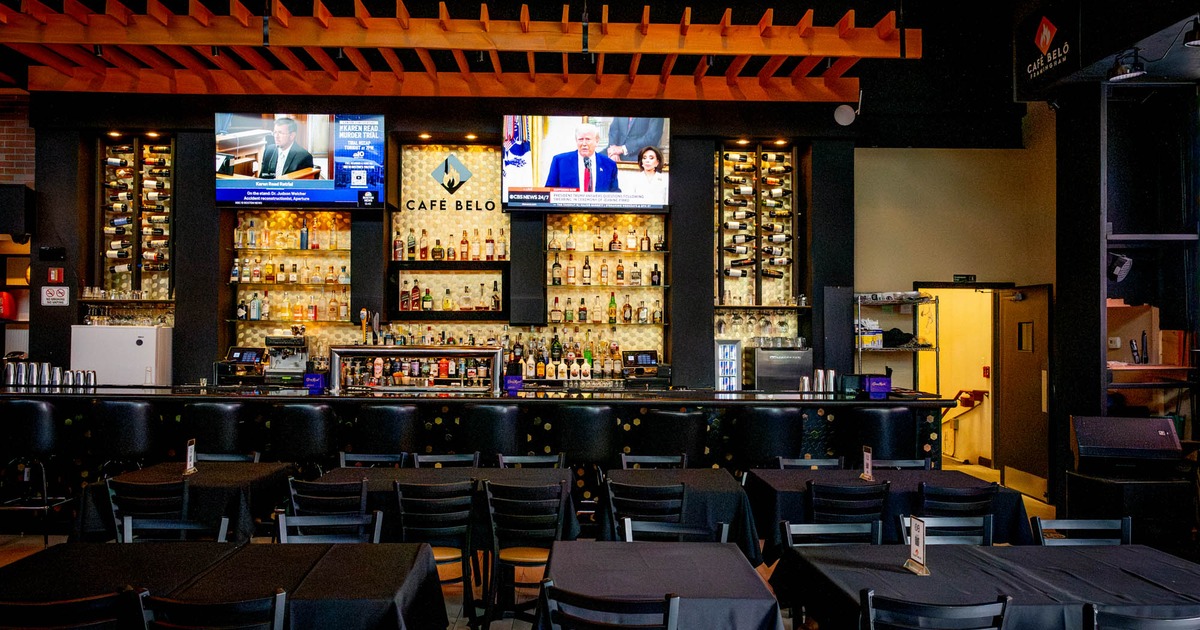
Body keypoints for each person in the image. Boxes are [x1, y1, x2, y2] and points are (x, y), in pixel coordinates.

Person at [544, 123, 621, 192]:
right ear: (576, 141)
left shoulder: (609, 165)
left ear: (597, 141)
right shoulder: (560, 162)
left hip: (597, 208)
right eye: (580, 139)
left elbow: (614, 192)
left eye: (588, 139)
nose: (584, 144)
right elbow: (549, 191)